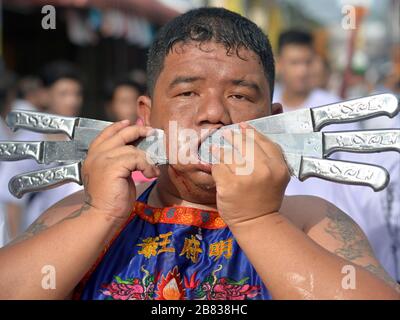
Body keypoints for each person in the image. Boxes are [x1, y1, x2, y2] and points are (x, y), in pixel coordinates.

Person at [0, 7, 399, 300]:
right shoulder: (85, 212)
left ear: (276, 120)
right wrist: (99, 215)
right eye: (187, 92)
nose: (213, 115)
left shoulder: (309, 220)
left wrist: (257, 220)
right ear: (147, 115)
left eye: (240, 96)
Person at [0, 62, 84, 242]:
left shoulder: (83, 139)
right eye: (63, 94)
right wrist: (16, 245)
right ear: (44, 95)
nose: (72, 100)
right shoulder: (28, 142)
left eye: (77, 94)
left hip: (76, 235)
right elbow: (11, 198)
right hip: (37, 237)